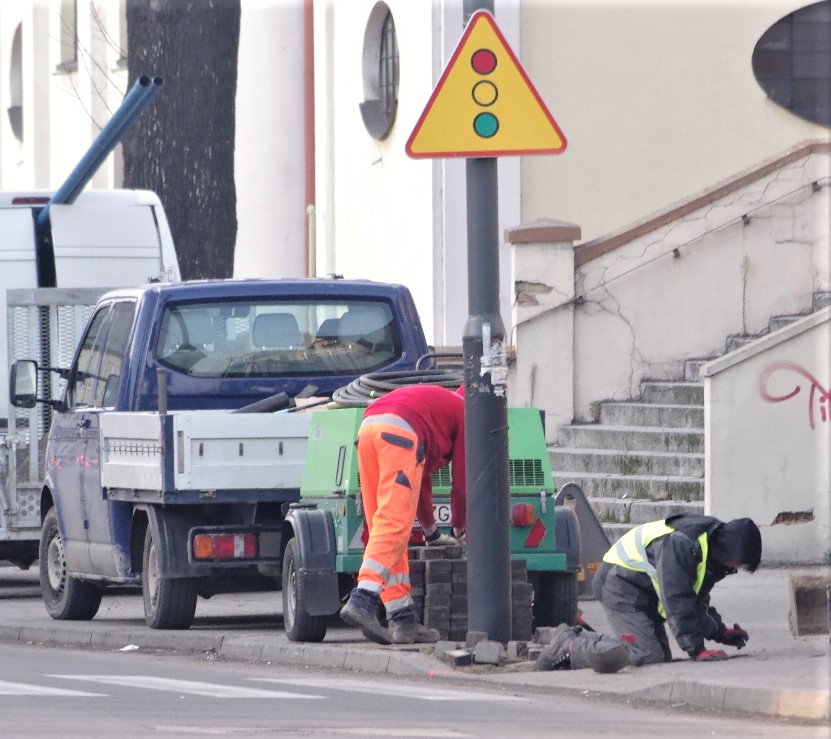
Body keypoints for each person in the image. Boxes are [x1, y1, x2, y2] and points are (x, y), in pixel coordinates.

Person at [537, 514, 762, 672]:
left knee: (659, 658)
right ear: (731, 549)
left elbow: (695, 602)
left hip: (641, 592)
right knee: (646, 655)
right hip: (619, 585)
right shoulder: (683, 544)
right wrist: (697, 650)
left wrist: (720, 632)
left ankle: (579, 638)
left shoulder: (710, 550)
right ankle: (570, 646)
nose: (736, 568)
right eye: (739, 563)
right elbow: (677, 600)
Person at [340, 384, 466, 645]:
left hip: (369, 428)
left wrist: (431, 533)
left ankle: (403, 619)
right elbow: (464, 478)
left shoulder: (437, 408)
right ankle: (362, 598)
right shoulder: (467, 413)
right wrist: (461, 524)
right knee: (394, 523)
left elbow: (421, 481)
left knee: (383, 527)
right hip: (398, 434)